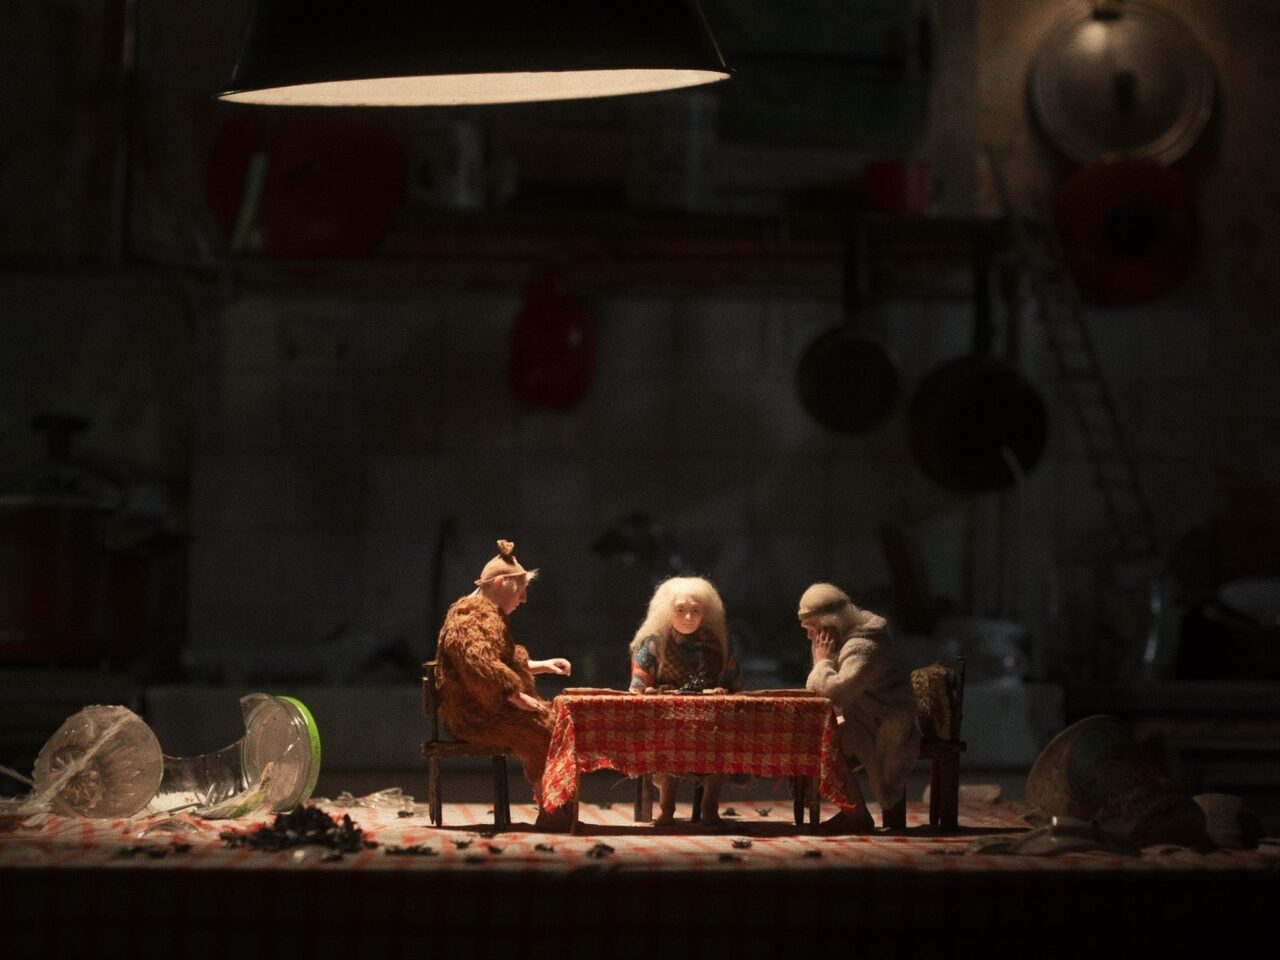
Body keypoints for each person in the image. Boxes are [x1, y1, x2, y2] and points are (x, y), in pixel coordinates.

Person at [435, 539, 572, 830]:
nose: (523, 599)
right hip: (473, 714)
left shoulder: (489, 615)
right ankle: (551, 810)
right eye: (520, 590)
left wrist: (542, 665)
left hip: (489, 706)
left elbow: (503, 659)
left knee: (559, 722)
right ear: (499, 583)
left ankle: (558, 805)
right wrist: (516, 696)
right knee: (542, 730)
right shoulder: (469, 618)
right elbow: (479, 665)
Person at [800, 583, 920, 832]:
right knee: (820, 739)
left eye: (813, 628)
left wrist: (822, 662)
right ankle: (854, 811)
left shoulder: (863, 647)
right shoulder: (848, 641)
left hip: (885, 722)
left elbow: (838, 692)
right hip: (866, 717)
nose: (810, 636)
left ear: (832, 624)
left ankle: (857, 815)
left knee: (825, 745)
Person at [628, 575, 742, 826]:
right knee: (671, 743)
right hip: (666, 721)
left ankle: (709, 807)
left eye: (695, 611)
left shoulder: (717, 644)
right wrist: (653, 693)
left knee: (724, 741)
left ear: (705, 612)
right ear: (667, 610)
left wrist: (721, 693)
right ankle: (666, 808)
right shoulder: (653, 643)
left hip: (711, 722)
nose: (688, 617)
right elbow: (637, 688)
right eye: (680, 610)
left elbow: (734, 684)